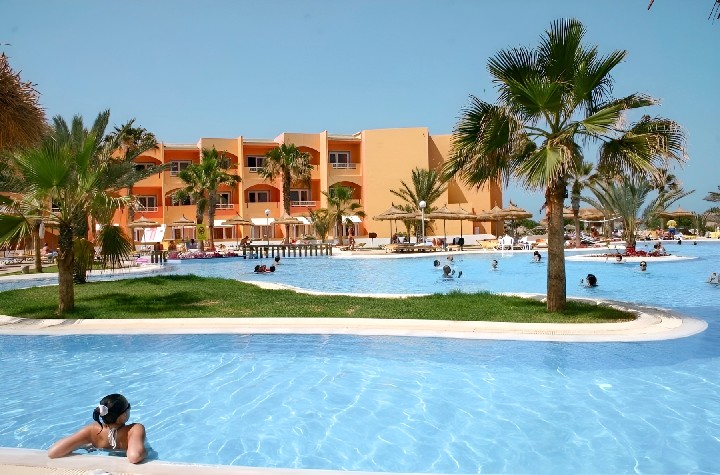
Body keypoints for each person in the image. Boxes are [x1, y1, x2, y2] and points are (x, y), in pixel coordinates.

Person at [48, 394, 146, 464]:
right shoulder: (134, 429)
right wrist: (145, 451)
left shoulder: (92, 430)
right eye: (129, 407)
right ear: (123, 416)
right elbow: (135, 457)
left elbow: (53, 452)